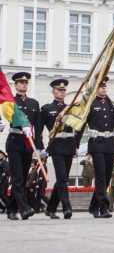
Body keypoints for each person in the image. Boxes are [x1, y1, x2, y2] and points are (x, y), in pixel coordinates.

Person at [78, 77, 114, 217]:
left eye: (105, 87)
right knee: (101, 175)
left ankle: (93, 206)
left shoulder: (111, 104)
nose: (103, 89)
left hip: (109, 143)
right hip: (96, 143)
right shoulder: (90, 103)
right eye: (101, 86)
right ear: (95, 88)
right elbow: (81, 124)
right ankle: (104, 207)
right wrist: (75, 143)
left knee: (107, 175)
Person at [5, 72, 39, 220]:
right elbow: (7, 117)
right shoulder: (10, 101)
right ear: (15, 85)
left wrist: (38, 146)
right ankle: (24, 208)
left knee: (23, 177)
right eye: (21, 82)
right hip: (15, 141)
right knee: (17, 177)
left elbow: (37, 126)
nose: (24, 84)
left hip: (28, 143)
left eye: (26, 82)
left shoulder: (33, 103)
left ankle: (11, 210)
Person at [41, 78, 76, 220]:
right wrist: (41, 147)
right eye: (59, 90)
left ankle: (50, 209)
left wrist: (75, 144)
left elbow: (76, 128)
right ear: (53, 92)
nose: (62, 92)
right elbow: (39, 129)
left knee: (63, 178)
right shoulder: (47, 108)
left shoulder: (70, 108)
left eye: (63, 90)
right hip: (55, 146)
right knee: (62, 178)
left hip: (68, 145)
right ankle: (67, 207)